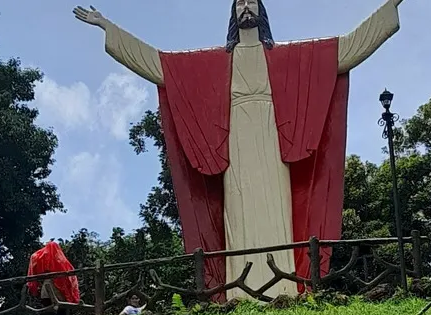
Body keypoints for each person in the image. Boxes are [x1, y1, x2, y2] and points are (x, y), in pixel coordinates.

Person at [73, 0, 406, 299]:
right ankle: (239, 292)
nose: (246, 7)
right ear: (232, 14)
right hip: (235, 145)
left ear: (262, 11)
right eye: (239, 3)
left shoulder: (290, 57)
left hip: (274, 141)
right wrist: (109, 27)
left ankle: (284, 287)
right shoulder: (215, 63)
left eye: (251, 1)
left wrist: (390, 5)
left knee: (278, 210)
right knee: (239, 214)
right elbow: (160, 66)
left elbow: (344, 50)